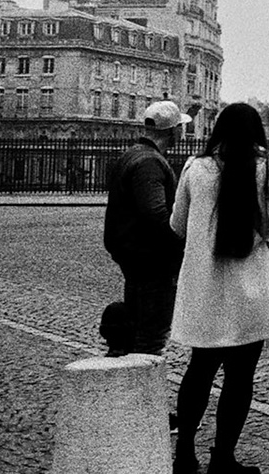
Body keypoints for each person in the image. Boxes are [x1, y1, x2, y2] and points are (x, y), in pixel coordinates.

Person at [169, 102, 269, 474]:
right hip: (251, 290)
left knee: (199, 371)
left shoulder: (196, 168)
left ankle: (186, 454)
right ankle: (223, 457)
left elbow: (177, 225)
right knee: (240, 379)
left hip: (206, 287)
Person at [102, 100, 190, 355]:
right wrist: (178, 243)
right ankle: (142, 380)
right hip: (152, 259)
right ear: (173, 131)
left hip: (133, 254)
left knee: (138, 322)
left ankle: (128, 362)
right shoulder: (150, 162)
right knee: (152, 332)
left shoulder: (132, 154)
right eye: (180, 128)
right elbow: (156, 214)